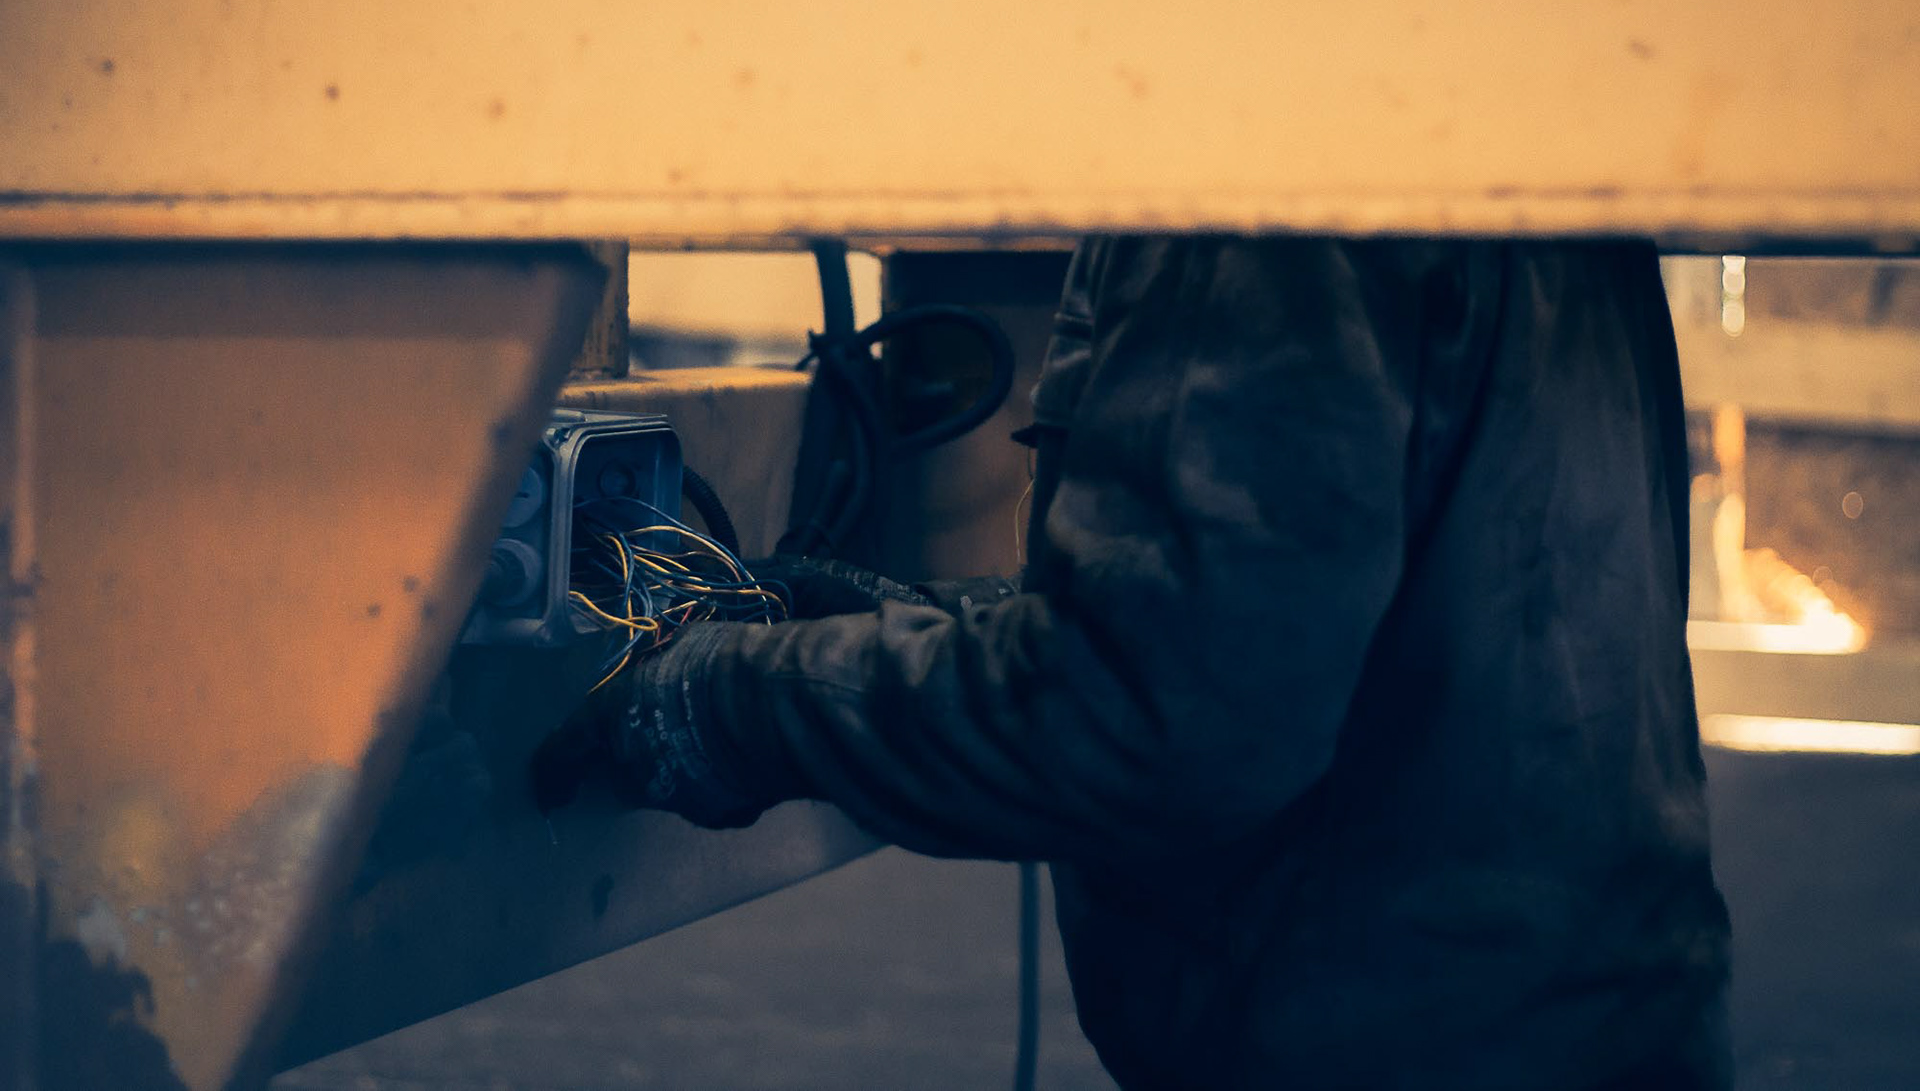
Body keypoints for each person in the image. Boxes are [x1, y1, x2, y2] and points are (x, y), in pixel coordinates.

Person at [533, 237, 1732, 1090]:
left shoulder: (1256, 204)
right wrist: (924, 615)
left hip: (1390, 1043)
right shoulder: (1510, 139)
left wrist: (725, 700)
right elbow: (1316, 607)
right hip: (1586, 1015)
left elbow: (1157, 718)